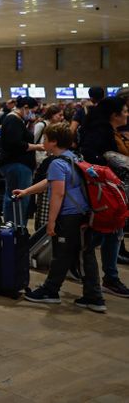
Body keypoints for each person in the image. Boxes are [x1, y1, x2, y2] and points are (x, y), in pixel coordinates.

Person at [13, 122, 105, 311]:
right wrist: (26, 191)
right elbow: (50, 182)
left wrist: (51, 222)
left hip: (69, 217)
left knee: (62, 255)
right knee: (85, 254)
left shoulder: (57, 163)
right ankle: (93, 297)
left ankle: (51, 291)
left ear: (54, 142)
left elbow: (58, 193)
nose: (43, 143)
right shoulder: (73, 158)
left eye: (45, 140)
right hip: (85, 214)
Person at [79, 96, 129, 299]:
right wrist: (111, 165)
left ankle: (109, 277)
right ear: (114, 114)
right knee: (103, 233)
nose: (127, 114)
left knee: (111, 232)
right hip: (104, 192)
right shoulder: (101, 132)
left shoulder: (104, 130)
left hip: (107, 191)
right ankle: (107, 277)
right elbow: (90, 155)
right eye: (124, 111)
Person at [0, 97, 45, 223]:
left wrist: (31, 124)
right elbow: (15, 144)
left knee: (17, 198)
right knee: (18, 197)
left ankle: (15, 227)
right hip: (16, 164)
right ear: (25, 107)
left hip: (19, 165)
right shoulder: (13, 120)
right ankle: (16, 227)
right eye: (33, 111)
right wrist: (37, 147)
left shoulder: (19, 120)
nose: (33, 114)